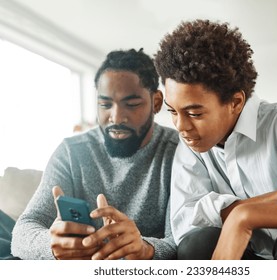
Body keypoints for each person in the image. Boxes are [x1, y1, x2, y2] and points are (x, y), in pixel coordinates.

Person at [154, 19, 277, 260]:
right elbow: (186, 222)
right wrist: (274, 201)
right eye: (172, 111)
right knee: (198, 245)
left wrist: (245, 215)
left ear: (236, 102)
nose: (181, 126)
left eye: (195, 113)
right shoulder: (190, 145)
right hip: (250, 256)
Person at [11, 48, 179, 260]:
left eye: (132, 104)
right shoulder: (72, 151)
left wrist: (145, 249)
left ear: (156, 102)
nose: (116, 117)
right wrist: (51, 245)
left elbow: (181, 242)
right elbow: (23, 231)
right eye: (105, 104)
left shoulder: (178, 152)